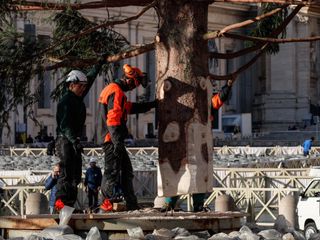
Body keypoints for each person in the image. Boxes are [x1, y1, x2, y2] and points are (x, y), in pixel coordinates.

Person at [162, 79, 233, 212]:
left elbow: (220, 98)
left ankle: (196, 205)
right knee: (177, 172)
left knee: (198, 174)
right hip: (183, 144)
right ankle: (170, 203)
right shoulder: (184, 104)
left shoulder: (206, 104)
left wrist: (227, 86)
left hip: (198, 145)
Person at [98, 64, 157, 212]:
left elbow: (129, 108)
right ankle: (106, 204)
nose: (131, 89)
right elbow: (112, 119)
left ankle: (131, 203)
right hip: (111, 139)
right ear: (130, 81)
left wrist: (151, 105)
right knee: (111, 171)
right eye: (133, 86)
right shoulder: (116, 92)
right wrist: (117, 142)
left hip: (112, 138)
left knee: (127, 170)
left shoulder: (112, 90)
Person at [55, 58, 106, 210]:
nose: (84, 89)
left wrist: (99, 64)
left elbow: (89, 79)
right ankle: (61, 204)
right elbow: (65, 125)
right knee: (66, 174)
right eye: (80, 86)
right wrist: (74, 141)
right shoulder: (66, 101)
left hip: (72, 140)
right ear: (71, 85)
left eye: (84, 86)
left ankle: (69, 204)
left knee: (76, 175)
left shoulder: (77, 97)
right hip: (65, 140)